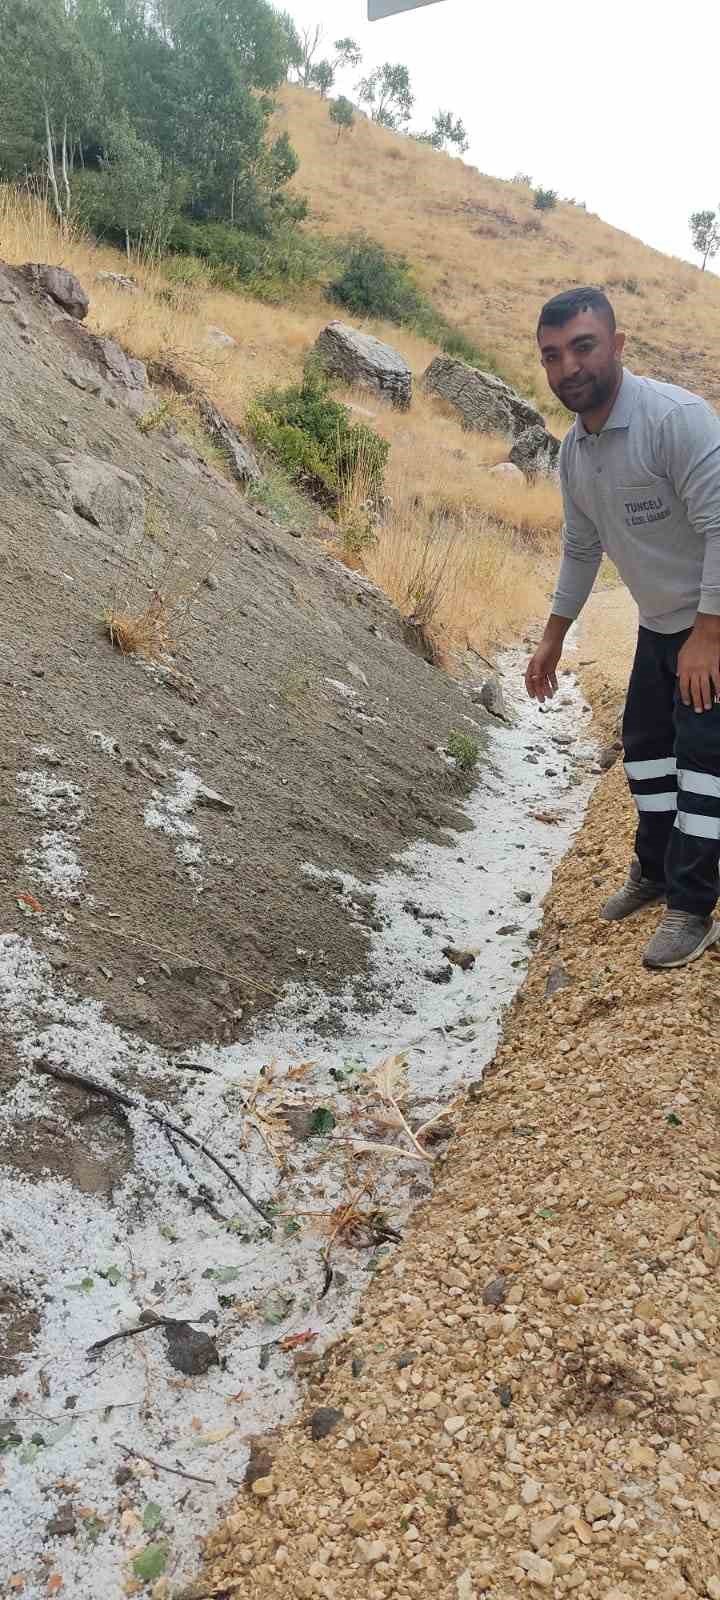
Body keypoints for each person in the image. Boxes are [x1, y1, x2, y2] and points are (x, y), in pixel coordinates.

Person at [526, 286, 720, 970]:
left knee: (704, 764)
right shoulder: (576, 453)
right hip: (661, 623)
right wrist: (553, 635)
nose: (568, 367)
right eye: (553, 356)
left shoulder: (676, 420)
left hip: (712, 620)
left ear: (616, 345)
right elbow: (582, 549)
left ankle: (693, 908)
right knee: (645, 749)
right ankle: (657, 870)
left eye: (582, 346)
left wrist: (708, 635)